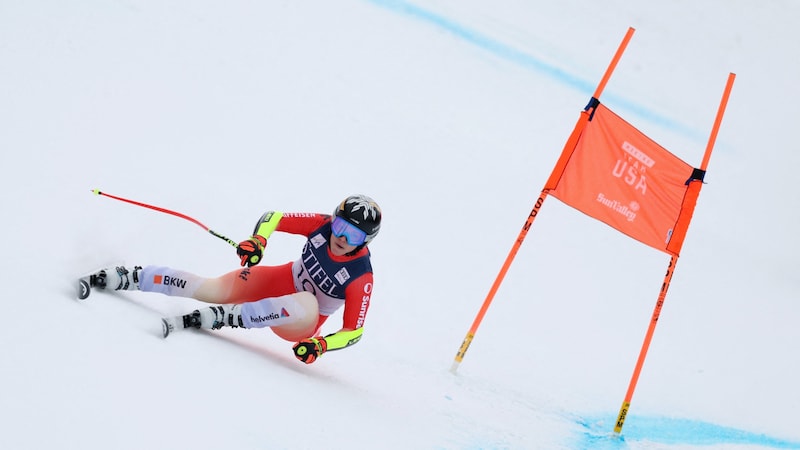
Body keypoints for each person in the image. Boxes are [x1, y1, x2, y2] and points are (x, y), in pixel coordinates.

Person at [84, 194, 381, 364]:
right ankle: (129, 277)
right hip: (279, 281)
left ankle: (224, 317)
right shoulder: (322, 226)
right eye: (341, 225)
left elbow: (353, 331)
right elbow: (274, 216)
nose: (341, 237)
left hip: (299, 321)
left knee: (306, 301)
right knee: (211, 288)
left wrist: (320, 345)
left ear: (366, 241)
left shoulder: (361, 276)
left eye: (353, 234)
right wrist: (258, 241)